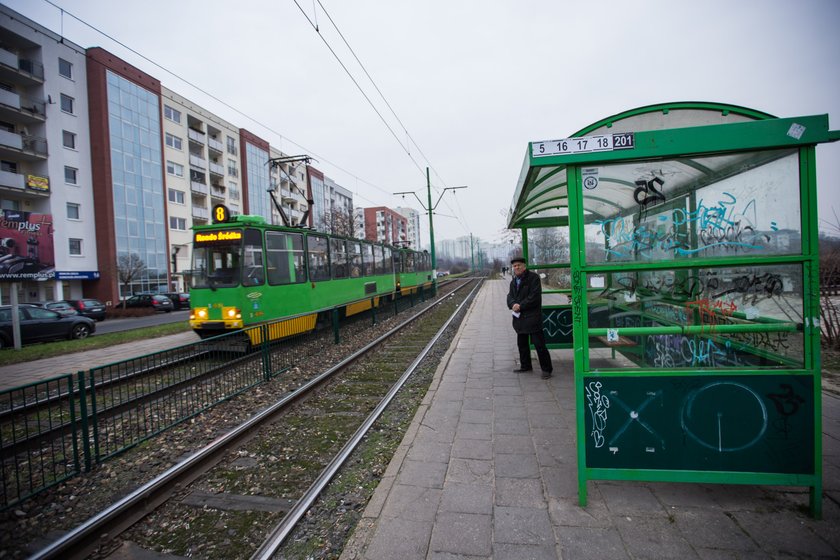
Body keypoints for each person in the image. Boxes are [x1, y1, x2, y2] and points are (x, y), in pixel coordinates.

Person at [506, 257, 553, 379]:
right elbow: (510, 296)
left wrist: (520, 306)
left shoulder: (533, 278)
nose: (516, 267)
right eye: (515, 266)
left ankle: (547, 369)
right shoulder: (513, 281)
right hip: (520, 318)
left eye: (519, 265)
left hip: (532, 317)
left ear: (524, 266)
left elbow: (535, 296)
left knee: (539, 345)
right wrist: (513, 304)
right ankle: (525, 365)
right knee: (522, 344)